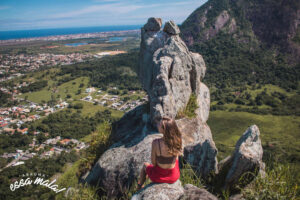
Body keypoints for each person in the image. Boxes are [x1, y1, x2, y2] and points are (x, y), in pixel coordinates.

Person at [137, 116, 183, 189]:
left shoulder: (156, 143)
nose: (157, 124)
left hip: (160, 177)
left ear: (164, 129)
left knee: (145, 165)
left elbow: (154, 163)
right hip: (173, 176)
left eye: (159, 124)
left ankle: (139, 186)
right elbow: (176, 158)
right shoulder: (177, 140)